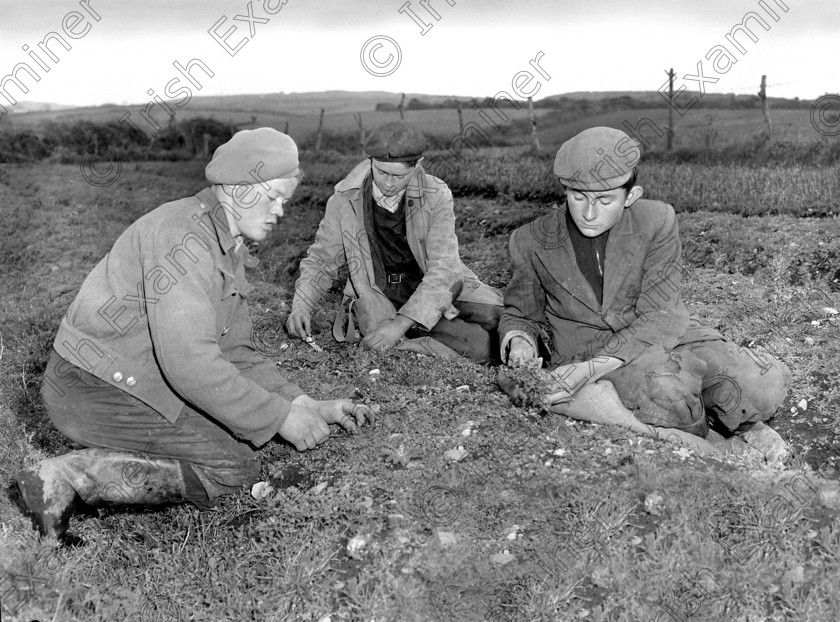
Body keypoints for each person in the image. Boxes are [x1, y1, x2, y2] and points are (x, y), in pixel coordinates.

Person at [16, 128, 373, 543]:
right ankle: (68, 478)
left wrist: (302, 403)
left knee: (238, 444)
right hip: (92, 387)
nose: (280, 211)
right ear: (238, 190)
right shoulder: (182, 239)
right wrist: (279, 418)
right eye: (272, 196)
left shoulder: (223, 240)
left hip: (133, 373)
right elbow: (190, 364)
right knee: (234, 466)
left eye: (285, 201)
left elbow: (234, 350)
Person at [497, 126, 790, 457]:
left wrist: (588, 373)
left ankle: (741, 421)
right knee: (666, 389)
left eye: (605, 200)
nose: (588, 213)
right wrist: (519, 341)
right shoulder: (530, 240)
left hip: (662, 335)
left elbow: (661, 314)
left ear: (631, 196)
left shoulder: (657, 220)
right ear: (565, 190)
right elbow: (520, 312)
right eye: (578, 198)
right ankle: (710, 440)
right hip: (591, 352)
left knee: (757, 383)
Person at [286, 120, 503, 363]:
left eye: (399, 176)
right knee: (484, 349)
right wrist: (301, 306)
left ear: (417, 165)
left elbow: (444, 269)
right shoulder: (343, 201)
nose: (388, 184)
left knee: (502, 317)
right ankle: (412, 341)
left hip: (432, 285)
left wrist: (400, 324)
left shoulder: (436, 194)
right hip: (382, 296)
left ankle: (414, 332)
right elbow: (321, 261)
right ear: (370, 162)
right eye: (381, 172)